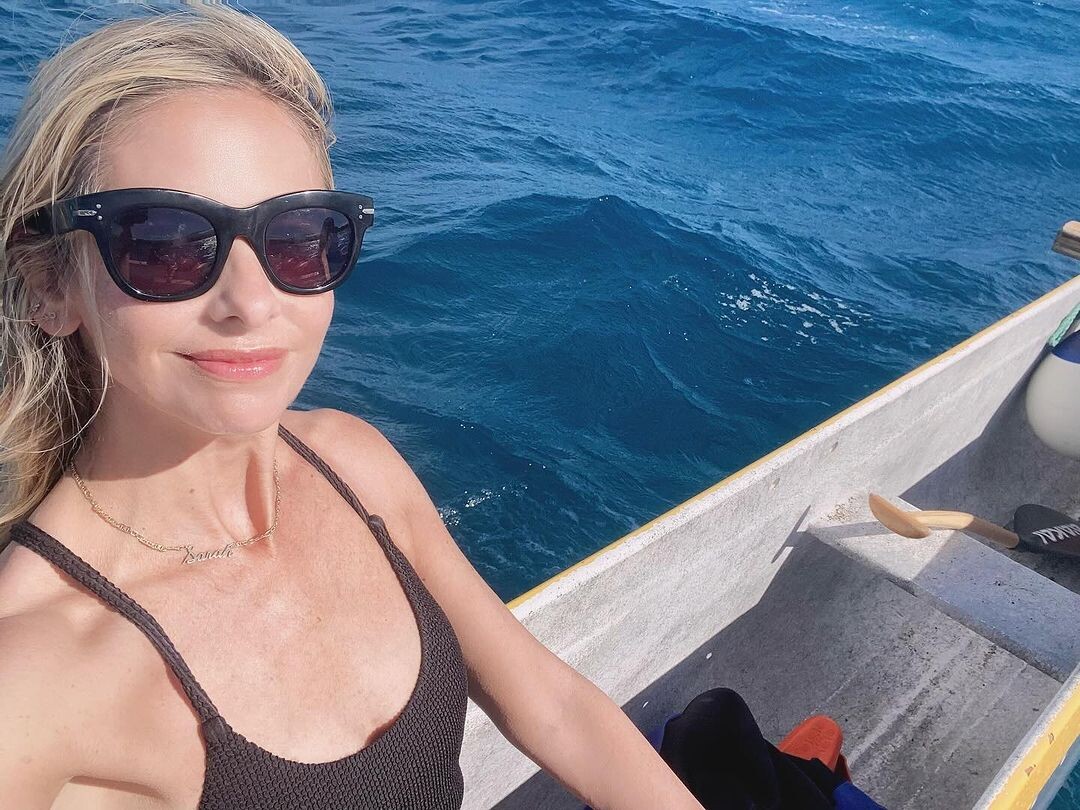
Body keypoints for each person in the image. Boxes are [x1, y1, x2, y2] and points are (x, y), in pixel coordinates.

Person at [0, 4, 707, 809]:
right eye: (164, 244)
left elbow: (552, 705)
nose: (251, 301)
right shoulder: (36, 671)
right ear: (50, 285)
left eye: (297, 237)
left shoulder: (353, 463)